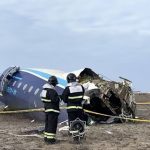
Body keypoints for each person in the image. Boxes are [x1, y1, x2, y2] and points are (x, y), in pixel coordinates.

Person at [40, 76, 60, 144]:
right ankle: (50, 140)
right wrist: (59, 98)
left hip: (47, 109)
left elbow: (43, 99)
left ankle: (46, 138)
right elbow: (55, 100)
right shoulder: (51, 90)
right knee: (52, 125)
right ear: (53, 83)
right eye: (55, 84)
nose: (56, 85)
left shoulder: (44, 90)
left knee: (48, 124)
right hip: (53, 110)